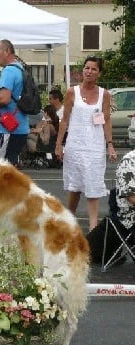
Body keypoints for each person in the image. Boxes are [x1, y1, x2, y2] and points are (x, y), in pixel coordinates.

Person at [55, 56, 117, 232]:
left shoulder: (104, 94)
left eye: (94, 69)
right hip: (75, 145)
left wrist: (110, 144)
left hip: (95, 147)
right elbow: (64, 120)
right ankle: (69, 220)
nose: (89, 71)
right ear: (82, 70)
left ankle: (93, 226)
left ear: (99, 73)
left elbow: (106, 120)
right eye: (87, 68)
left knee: (93, 185)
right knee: (74, 186)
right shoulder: (71, 92)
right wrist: (59, 144)